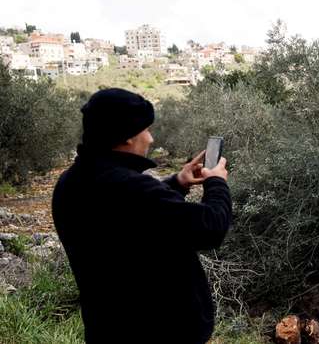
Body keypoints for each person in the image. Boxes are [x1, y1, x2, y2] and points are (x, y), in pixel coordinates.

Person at [52, 88, 232, 343]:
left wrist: (178, 182)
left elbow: (130, 218)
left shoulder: (72, 181)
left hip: (108, 328)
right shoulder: (132, 188)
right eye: (146, 129)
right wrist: (216, 183)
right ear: (126, 137)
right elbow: (211, 227)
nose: (150, 138)